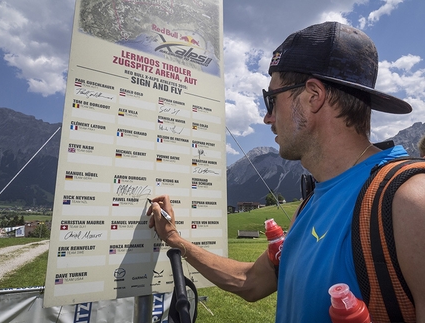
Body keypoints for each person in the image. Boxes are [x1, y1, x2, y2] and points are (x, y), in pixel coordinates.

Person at [147, 21, 425, 322]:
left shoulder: (407, 201)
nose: (267, 118)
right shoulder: (309, 204)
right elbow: (250, 282)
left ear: (313, 96)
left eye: (271, 100)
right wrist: (176, 240)